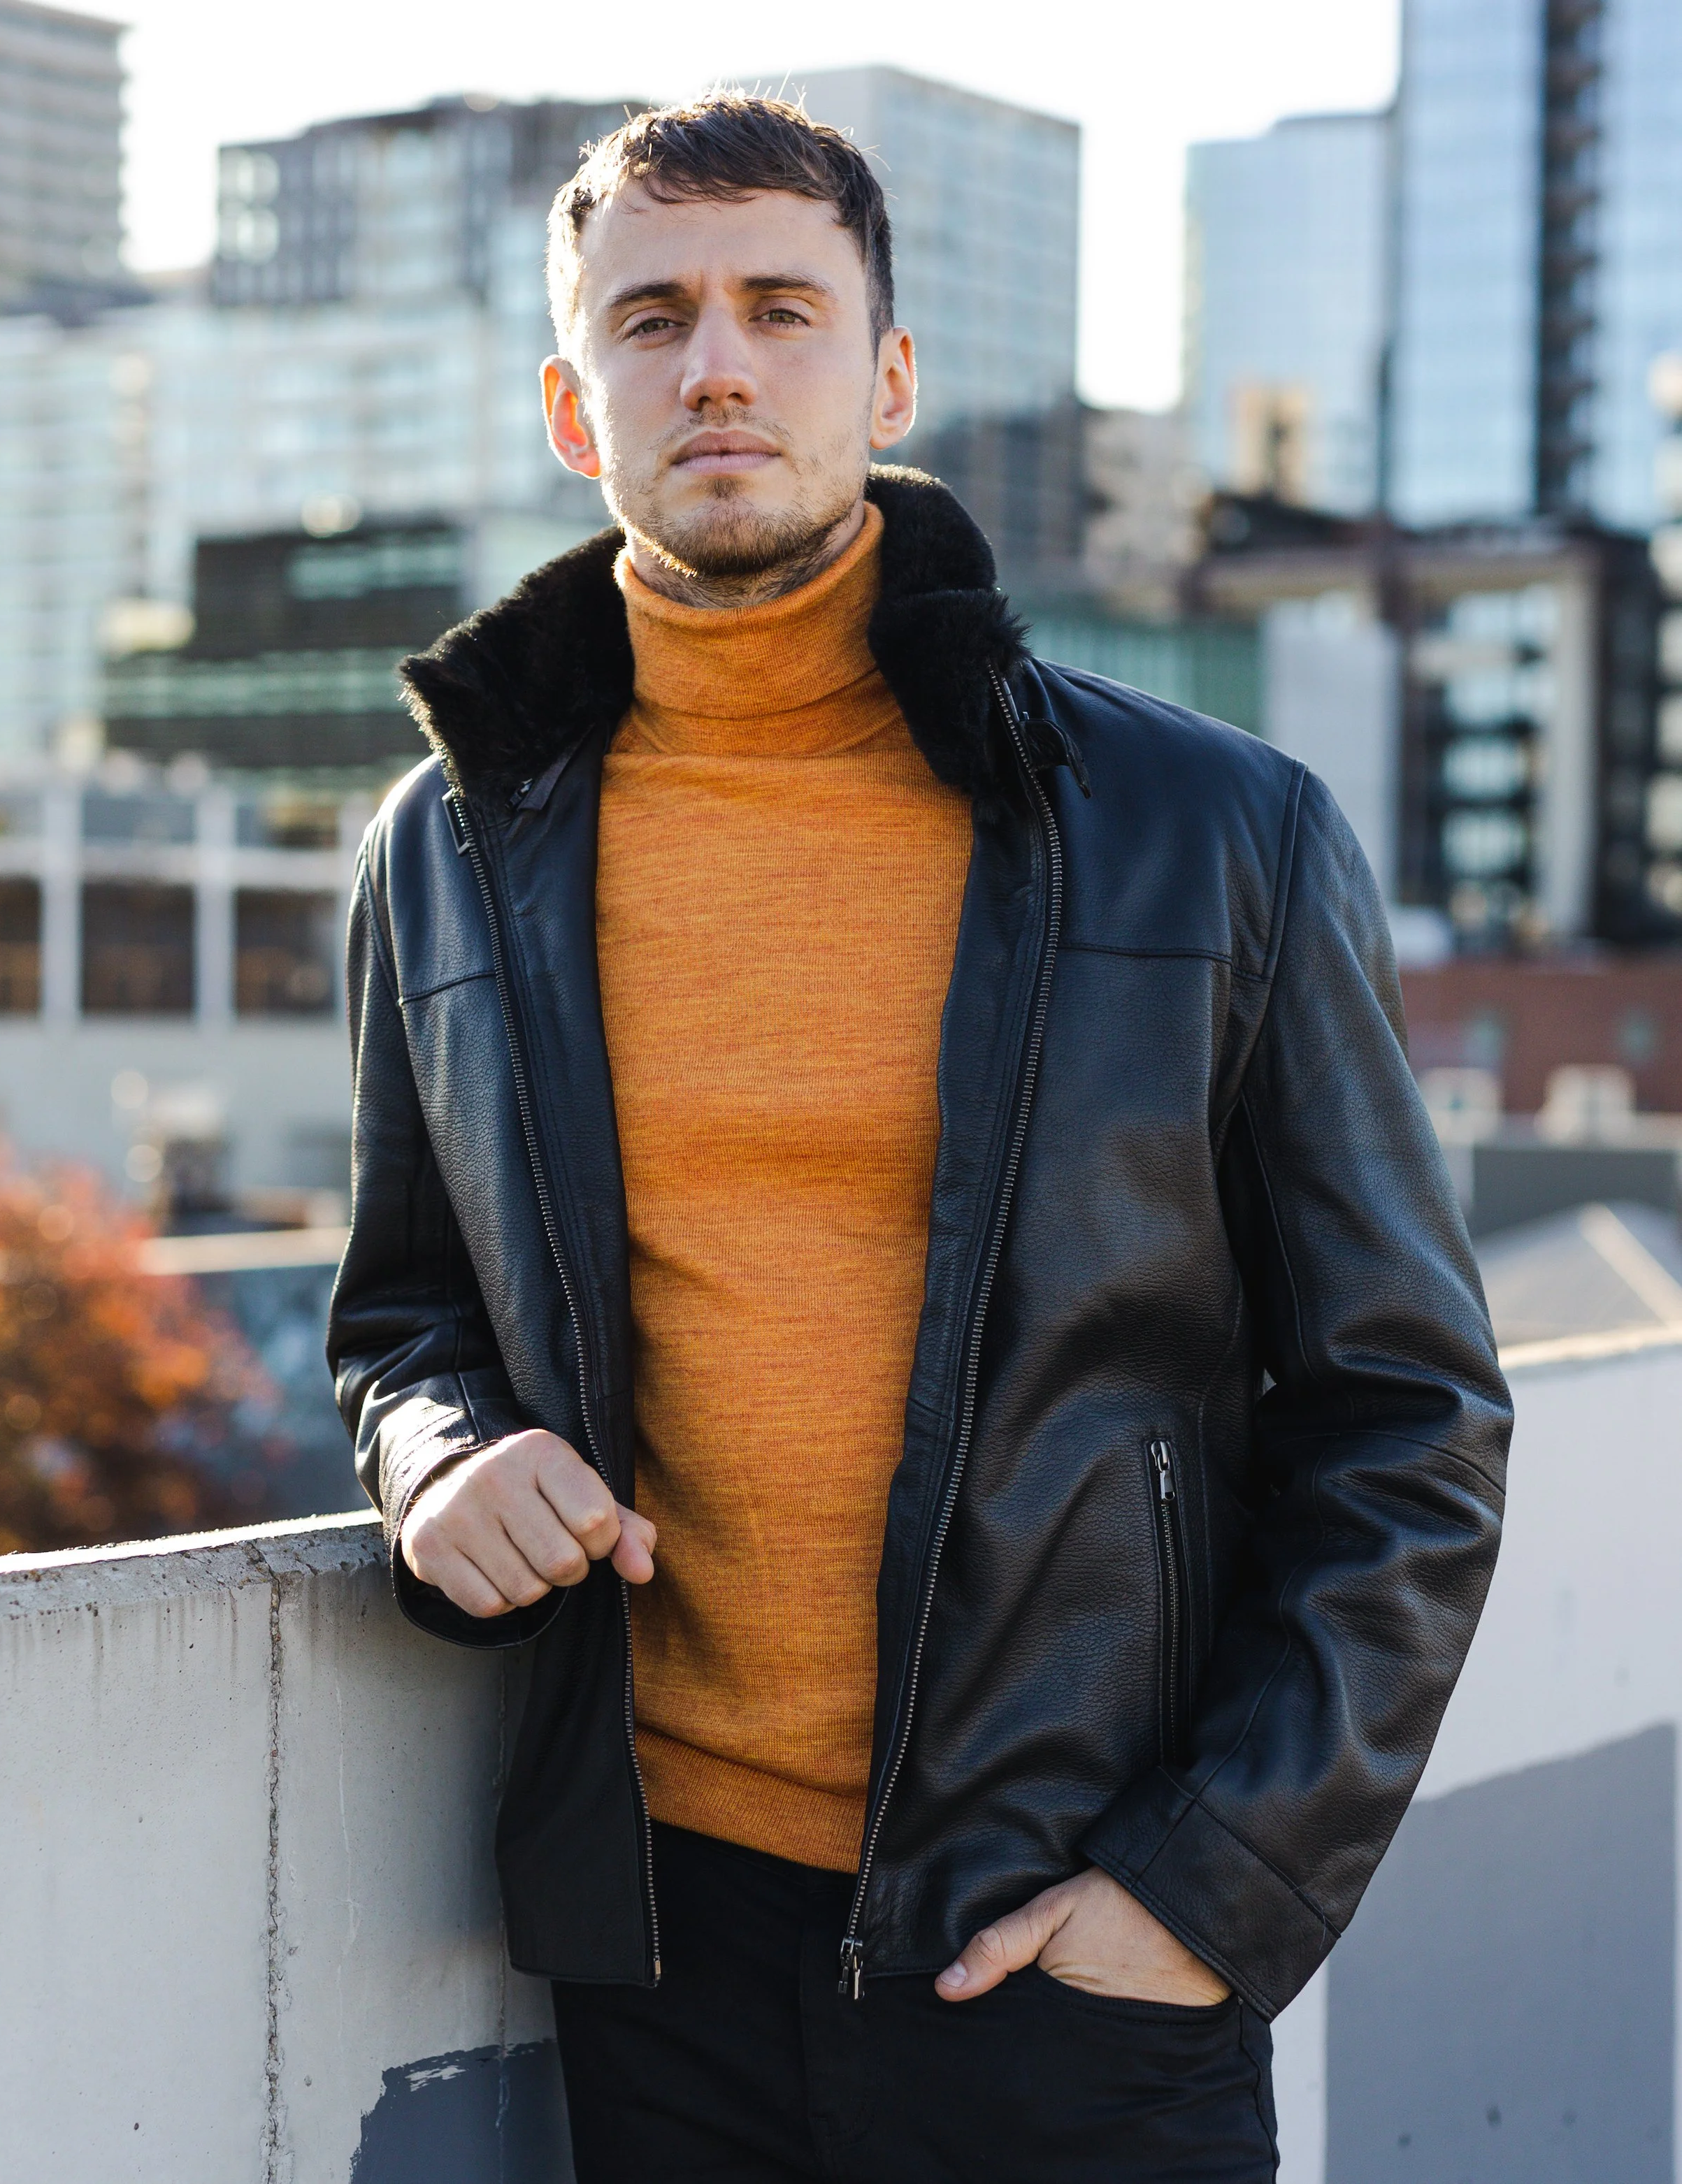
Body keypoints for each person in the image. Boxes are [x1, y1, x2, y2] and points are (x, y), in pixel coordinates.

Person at [329, 93, 1511, 2183]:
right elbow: (403, 1311)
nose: (716, 365)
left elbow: (1407, 1414)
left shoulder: (1212, 828)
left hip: (1069, 1945)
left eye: (781, 310)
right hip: (655, 1946)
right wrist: (439, 1458)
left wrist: (1208, 1887)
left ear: (886, 382)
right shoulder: (446, 848)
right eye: (652, 318)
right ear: (571, 405)